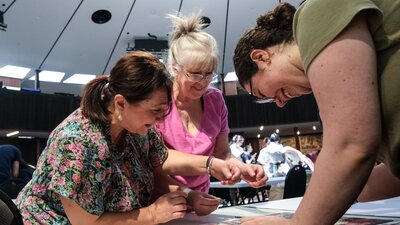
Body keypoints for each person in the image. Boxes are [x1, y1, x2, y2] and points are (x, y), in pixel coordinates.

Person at [15, 51, 239, 225]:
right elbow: (85, 222)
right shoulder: (78, 143)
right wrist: (150, 215)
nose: (161, 119)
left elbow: (160, 164)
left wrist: (189, 193)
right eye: (155, 110)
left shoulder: (138, 130)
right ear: (121, 103)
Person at [233, 1, 400, 224]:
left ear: (262, 57)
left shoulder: (317, 8)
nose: (279, 103)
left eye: (263, 93)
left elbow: (351, 146)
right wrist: (336, 189)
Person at [155, 12, 267, 195]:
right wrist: (189, 194)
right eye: (195, 73)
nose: (203, 81)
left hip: (202, 201)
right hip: (161, 201)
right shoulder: (159, 101)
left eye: (209, 73)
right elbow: (154, 163)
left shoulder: (215, 100)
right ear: (175, 69)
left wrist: (241, 168)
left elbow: (222, 153)